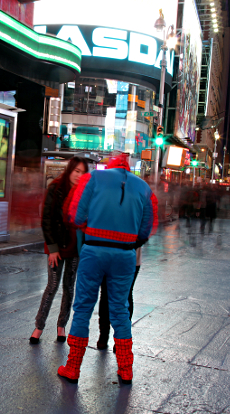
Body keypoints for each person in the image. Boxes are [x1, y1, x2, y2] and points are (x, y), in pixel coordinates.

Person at [57, 154, 157, 384]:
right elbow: (145, 231)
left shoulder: (93, 178)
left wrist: (93, 227)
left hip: (94, 250)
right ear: (128, 168)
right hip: (125, 255)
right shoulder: (143, 188)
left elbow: (76, 215)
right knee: (120, 309)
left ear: (109, 165)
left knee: (83, 307)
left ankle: (72, 367)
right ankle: (126, 368)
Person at [29, 156, 88, 344]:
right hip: (56, 245)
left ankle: (61, 326)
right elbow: (47, 219)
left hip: (75, 246)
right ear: (70, 170)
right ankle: (39, 326)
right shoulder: (56, 187)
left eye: (82, 172)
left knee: (69, 288)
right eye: (76, 171)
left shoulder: (85, 192)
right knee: (52, 286)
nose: (79, 175)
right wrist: (52, 249)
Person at [96, 246, 141, 350]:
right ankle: (104, 334)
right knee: (106, 294)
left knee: (126, 295)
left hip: (129, 255)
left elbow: (143, 232)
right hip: (107, 256)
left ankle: (122, 338)